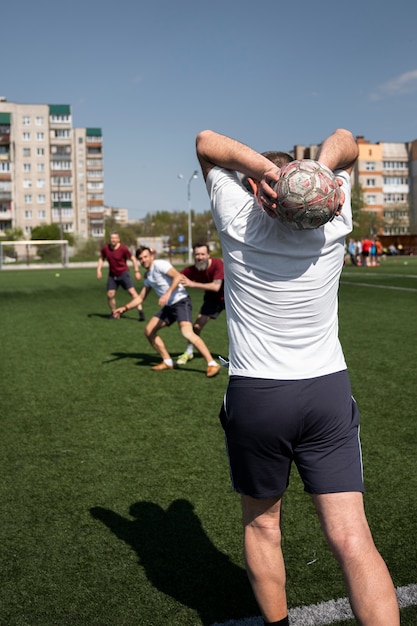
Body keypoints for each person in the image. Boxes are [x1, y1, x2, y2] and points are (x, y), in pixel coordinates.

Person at [195, 128, 399, 626]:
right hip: (326, 390)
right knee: (353, 538)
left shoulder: (241, 218)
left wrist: (264, 175)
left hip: (259, 395)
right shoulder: (336, 220)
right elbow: (345, 139)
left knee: (264, 527)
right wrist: (317, 170)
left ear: (259, 190)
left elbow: (205, 141)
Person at [113, 246, 221, 378]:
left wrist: (167, 294)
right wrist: (124, 308)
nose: (143, 260)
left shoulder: (160, 265)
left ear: (151, 256)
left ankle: (212, 363)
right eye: (140, 258)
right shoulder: (148, 275)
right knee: (149, 330)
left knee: (187, 332)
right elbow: (140, 298)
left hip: (181, 301)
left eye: (146, 257)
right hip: (169, 307)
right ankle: (167, 361)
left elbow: (177, 276)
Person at [176, 242, 225, 365]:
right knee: (196, 327)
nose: (200, 257)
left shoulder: (217, 263)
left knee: (237, 329)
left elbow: (216, 287)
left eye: (203, 254)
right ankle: (189, 351)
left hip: (231, 299)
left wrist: (192, 284)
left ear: (208, 255)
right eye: (197, 254)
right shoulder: (192, 270)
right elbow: (176, 276)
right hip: (211, 300)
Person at [96, 231, 145, 321]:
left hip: (123, 274)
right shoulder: (106, 249)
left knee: (132, 293)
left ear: (118, 239)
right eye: (112, 238)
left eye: (115, 238)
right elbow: (101, 258)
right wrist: (99, 270)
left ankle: (141, 312)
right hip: (112, 275)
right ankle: (114, 313)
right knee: (110, 295)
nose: (113, 240)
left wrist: (136, 271)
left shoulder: (123, 249)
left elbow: (133, 259)